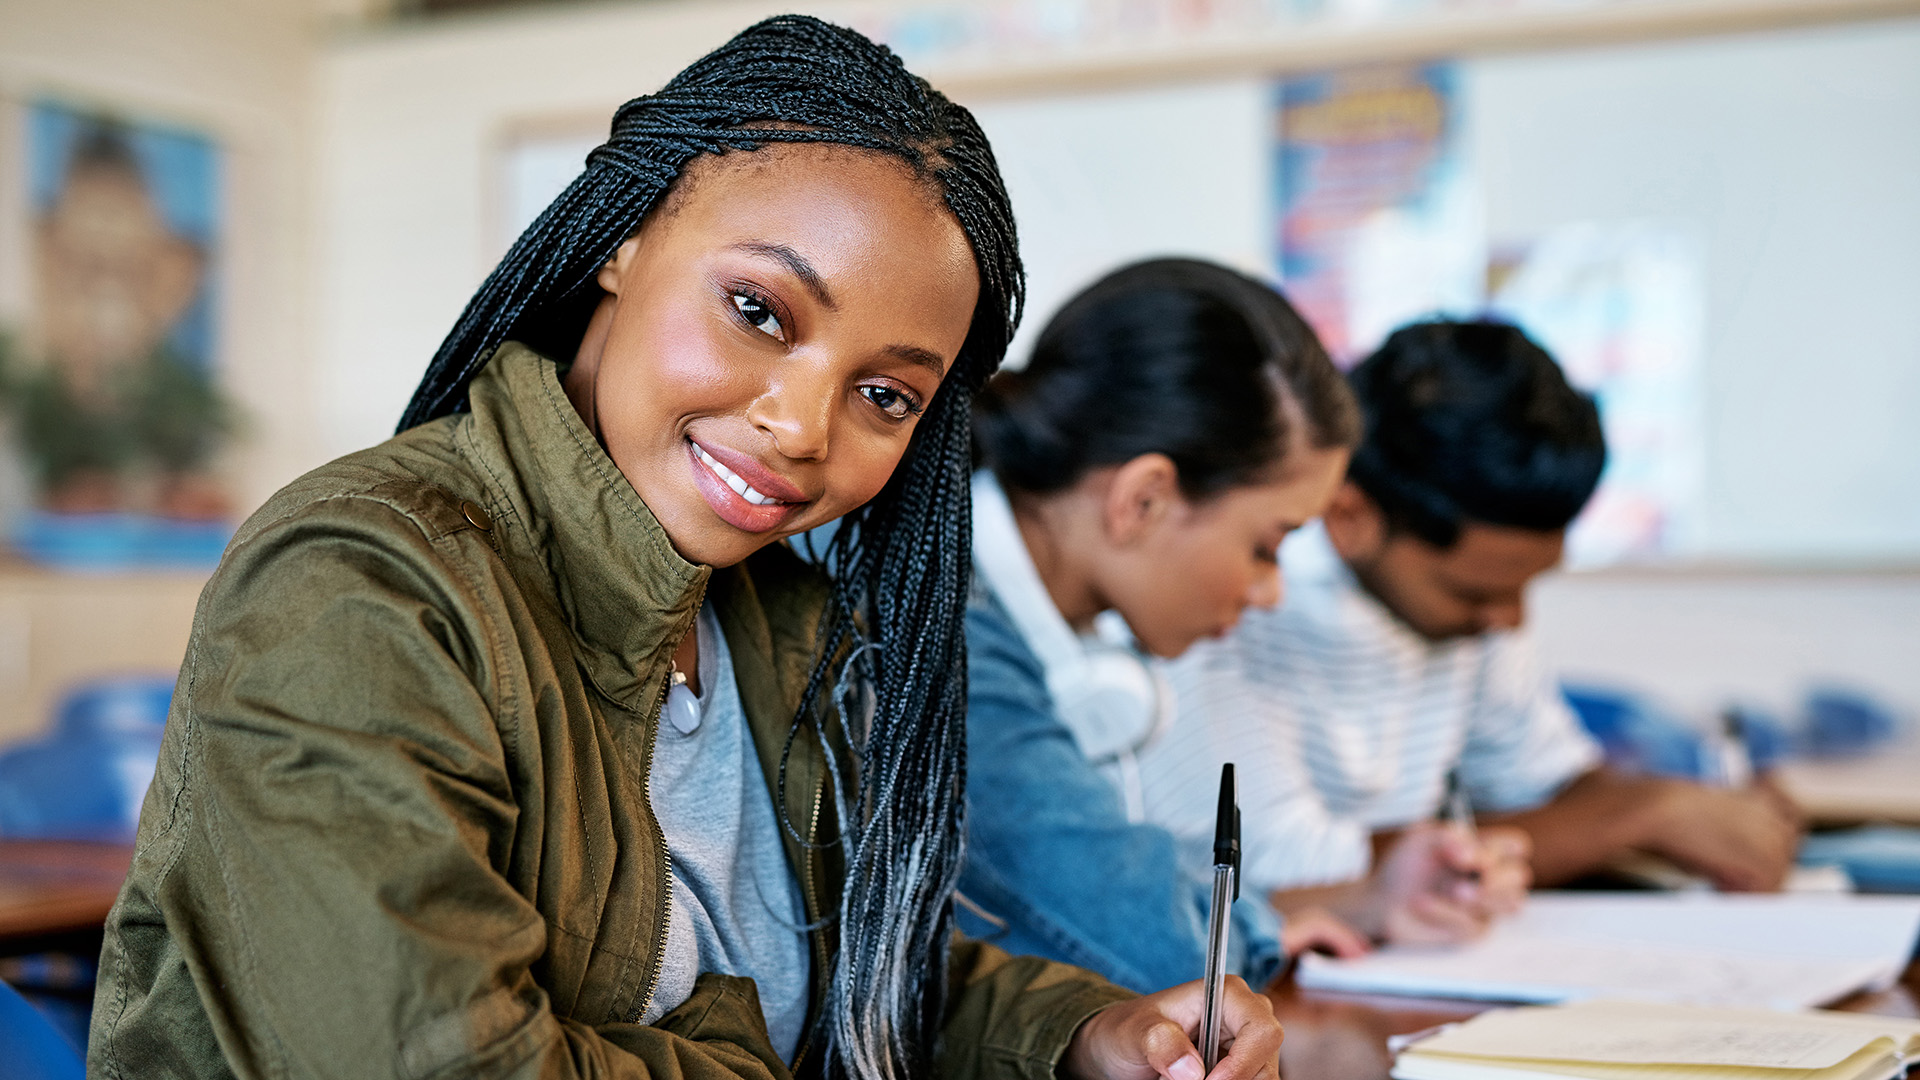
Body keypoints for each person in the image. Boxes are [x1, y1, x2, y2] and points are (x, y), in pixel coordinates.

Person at [87, 19, 1283, 1080]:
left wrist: (1084, 1037)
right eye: (758, 311)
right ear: (621, 242)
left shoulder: (777, 617)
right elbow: (426, 1055)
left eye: (884, 395)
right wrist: (733, 1050)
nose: (800, 428)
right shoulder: (359, 580)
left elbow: (853, 979)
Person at [957, 261, 1528, 994]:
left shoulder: (1017, 609)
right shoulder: (960, 634)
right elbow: (1134, 935)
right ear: (1144, 502)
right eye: (1268, 545)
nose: (1270, 592)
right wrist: (1259, 931)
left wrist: (1366, 896)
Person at [1135, 320, 1801, 924]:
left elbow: (1553, 783)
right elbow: (1283, 873)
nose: (1508, 620)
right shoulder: (1230, 604)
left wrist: (1699, 811)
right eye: (1475, 592)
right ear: (1350, 516)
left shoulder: (1468, 613)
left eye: (1523, 586)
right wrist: (1642, 815)